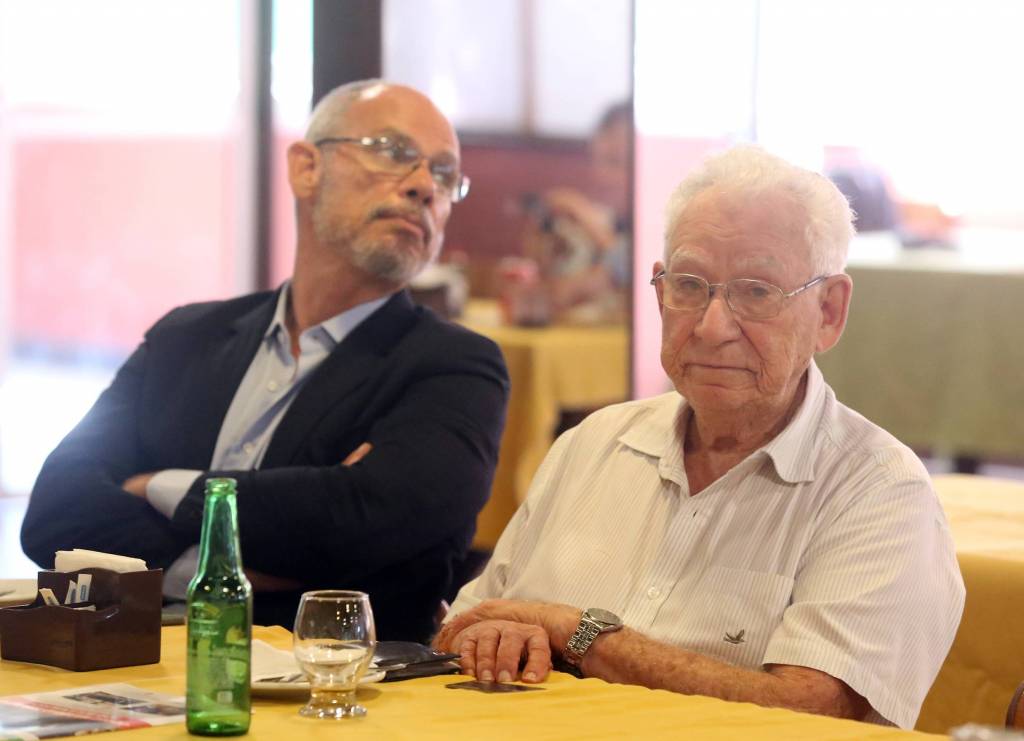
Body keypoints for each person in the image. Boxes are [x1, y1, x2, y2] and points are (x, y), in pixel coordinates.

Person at [435, 145, 964, 729]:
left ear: (829, 312)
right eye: (689, 285)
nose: (712, 327)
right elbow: (463, 626)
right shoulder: (594, 444)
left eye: (757, 291)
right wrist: (493, 638)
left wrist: (577, 633)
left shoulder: (880, 493)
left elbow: (817, 715)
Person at [21, 80, 509, 642]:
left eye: (445, 174)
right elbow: (56, 513)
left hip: (331, 679)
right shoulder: (185, 338)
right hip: (136, 663)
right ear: (306, 168)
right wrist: (216, 574)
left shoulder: (456, 366)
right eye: (392, 151)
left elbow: (363, 526)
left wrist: (156, 486)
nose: (424, 186)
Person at [519, 102, 632, 324]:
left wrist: (582, 214)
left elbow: (627, 265)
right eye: (600, 161)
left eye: (616, 162)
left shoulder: (656, 222)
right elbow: (546, 276)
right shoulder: (604, 217)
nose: (604, 175)